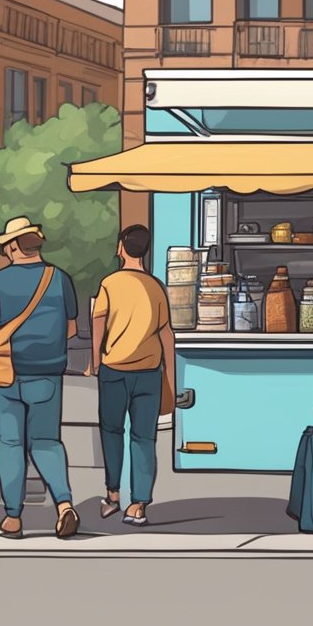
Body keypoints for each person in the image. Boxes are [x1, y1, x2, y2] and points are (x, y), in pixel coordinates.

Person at [0, 217, 80, 539]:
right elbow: (71, 328)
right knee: (46, 441)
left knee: (10, 443)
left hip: (3, 373)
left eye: (6, 246)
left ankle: (14, 518)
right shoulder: (59, 278)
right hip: (46, 373)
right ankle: (64, 504)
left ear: (16, 246)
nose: (4, 251)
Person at [88, 225, 175, 526]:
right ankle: (138, 504)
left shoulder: (110, 284)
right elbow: (167, 335)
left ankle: (113, 494)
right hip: (150, 372)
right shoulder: (156, 287)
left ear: (122, 247)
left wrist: (95, 361)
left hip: (114, 369)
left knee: (111, 432)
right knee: (144, 438)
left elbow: (98, 324)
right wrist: (172, 380)